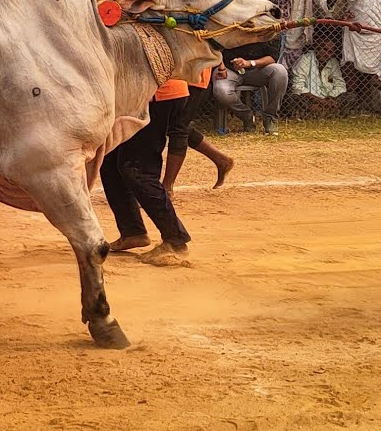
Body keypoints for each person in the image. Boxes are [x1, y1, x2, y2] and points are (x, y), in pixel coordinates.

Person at [100, 77, 193, 264]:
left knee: (138, 169)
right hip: (145, 95)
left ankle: (175, 240)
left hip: (156, 96)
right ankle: (132, 231)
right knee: (110, 163)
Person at [161, 67, 233, 199]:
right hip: (175, 73)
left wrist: (221, 65)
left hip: (195, 76)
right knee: (171, 123)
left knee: (178, 127)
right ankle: (221, 160)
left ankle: (167, 187)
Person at [213, 34, 288, 135]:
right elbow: (214, 48)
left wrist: (250, 63)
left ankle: (270, 118)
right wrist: (221, 66)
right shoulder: (229, 23)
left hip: (256, 69)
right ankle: (246, 116)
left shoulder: (269, 26)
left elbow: (272, 58)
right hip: (228, 69)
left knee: (280, 71)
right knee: (221, 90)